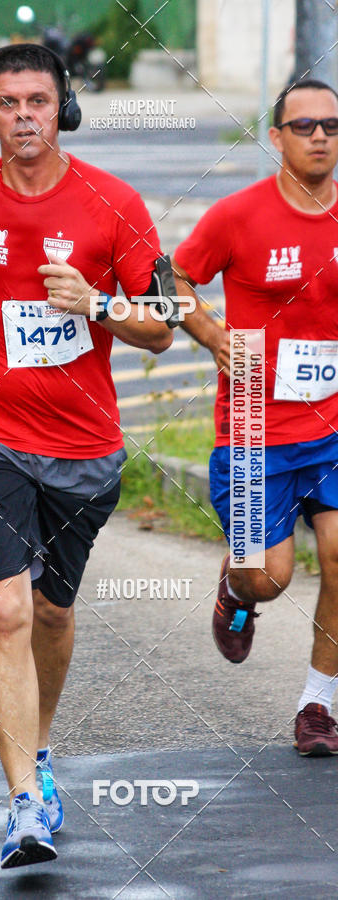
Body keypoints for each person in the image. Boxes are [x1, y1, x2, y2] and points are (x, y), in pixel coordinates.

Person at [0, 43, 173, 868]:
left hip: (85, 448)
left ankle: (42, 752)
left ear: (65, 110)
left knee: (53, 614)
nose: (25, 116)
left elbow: (160, 326)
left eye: (40, 102)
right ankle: (23, 806)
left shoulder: (113, 203)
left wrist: (96, 304)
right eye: (10, 102)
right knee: (7, 608)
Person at [172, 79, 338, 756]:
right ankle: (234, 592)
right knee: (267, 576)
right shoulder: (238, 216)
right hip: (252, 432)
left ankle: (318, 705)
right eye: (304, 127)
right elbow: (172, 278)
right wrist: (213, 334)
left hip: (331, 428)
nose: (320, 136)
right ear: (276, 139)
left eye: (331, 124)